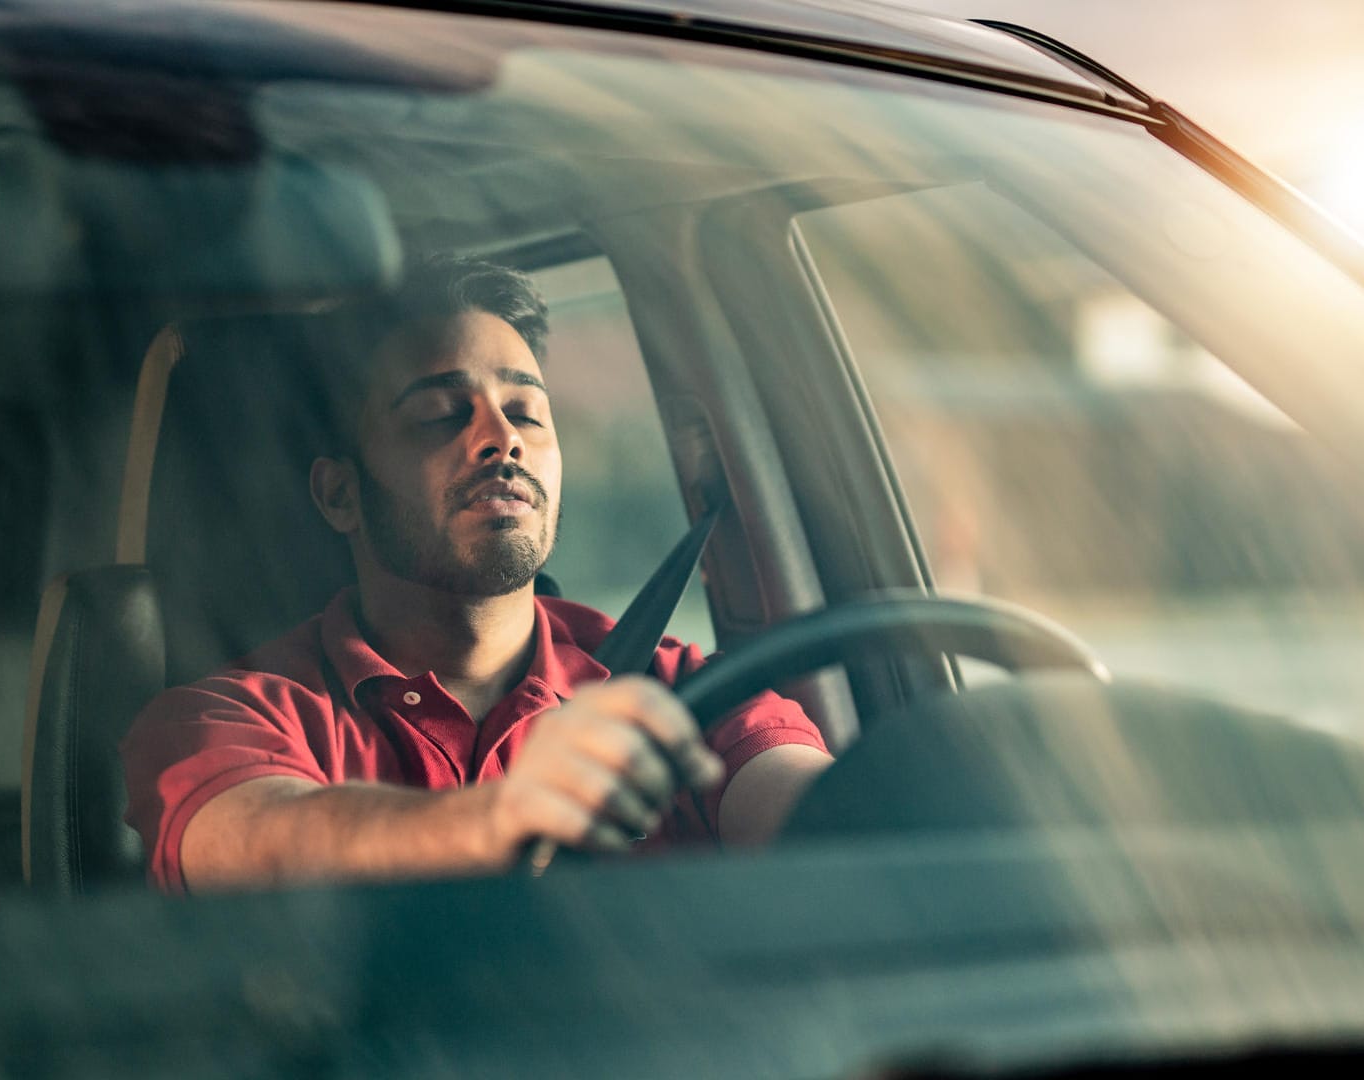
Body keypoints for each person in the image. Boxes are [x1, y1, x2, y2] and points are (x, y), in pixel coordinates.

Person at [121, 255, 832, 894]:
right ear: (341, 494)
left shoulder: (681, 695)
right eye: (437, 414)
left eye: (526, 410)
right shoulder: (224, 718)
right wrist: (501, 819)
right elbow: (259, 840)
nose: (503, 437)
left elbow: (831, 814)